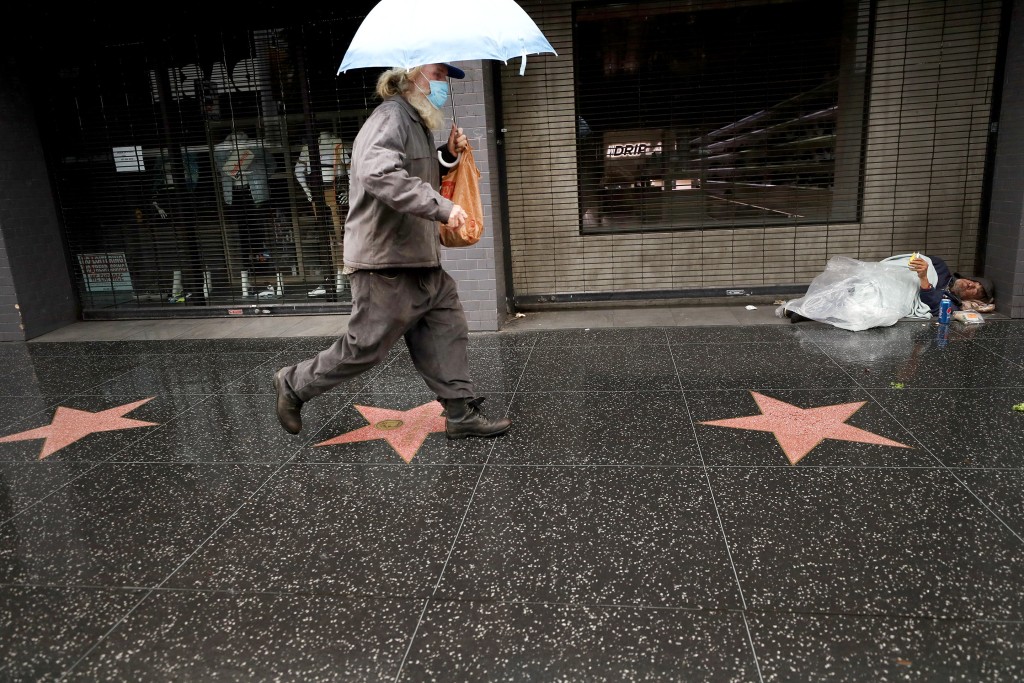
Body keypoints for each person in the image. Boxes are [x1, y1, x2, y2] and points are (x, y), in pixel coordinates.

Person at [273, 62, 511, 440]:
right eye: (438, 75)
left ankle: (460, 413)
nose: (443, 84)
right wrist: (442, 208)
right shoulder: (390, 118)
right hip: (385, 261)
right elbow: (379, 174)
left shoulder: (415, 122)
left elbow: (413, 174)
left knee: (447, 329)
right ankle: (293, 383)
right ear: (411, 75)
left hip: (419, 258)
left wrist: (447, 156)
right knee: (365, 347)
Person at [780, 252, 994, 330]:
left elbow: (930, 302)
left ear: (973, 299)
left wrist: (923, 279)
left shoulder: (951, 303)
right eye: (973, 282)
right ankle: (807, 307)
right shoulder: (939, 266)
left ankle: (806, 311)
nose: (971, 286)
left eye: (976, 291)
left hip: (898, 296)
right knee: (859, 286)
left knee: (867, 307)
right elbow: (902, 264)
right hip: (888, 279)